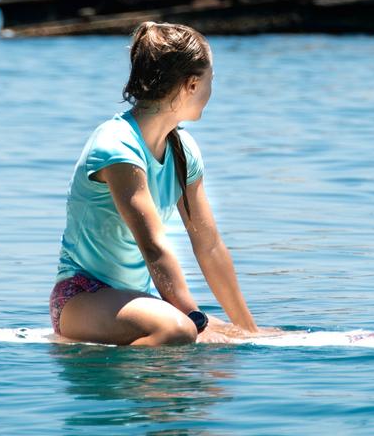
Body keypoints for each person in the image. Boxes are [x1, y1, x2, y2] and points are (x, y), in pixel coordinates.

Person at [50, 21, 270, 345]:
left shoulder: (184, 151)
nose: (212, 89)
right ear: (192, 85)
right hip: (82, 296)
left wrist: (249, 330)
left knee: (230, 343)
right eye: (212, 79)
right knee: (178, 331)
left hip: (140, 299)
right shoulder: (117, 146)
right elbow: (154, 245)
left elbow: (209, 246)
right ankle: (121, 386)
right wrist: (195, 319)